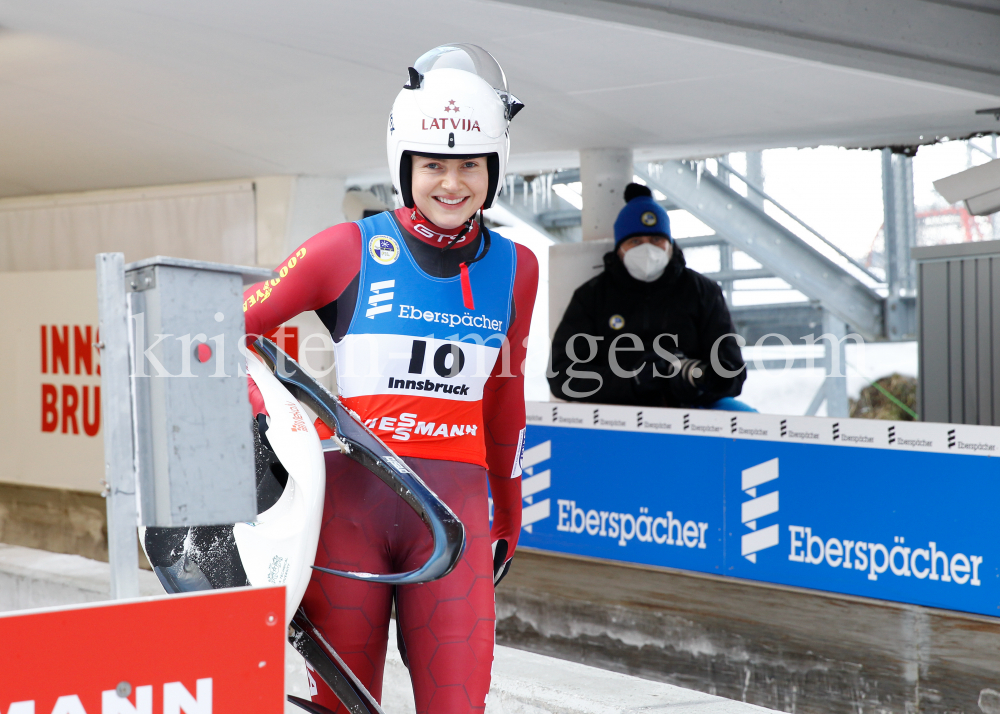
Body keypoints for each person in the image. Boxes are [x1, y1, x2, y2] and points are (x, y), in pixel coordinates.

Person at [242, 44, 537, 714]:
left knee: (458, 705)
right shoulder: (347, 248)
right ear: (405, 164)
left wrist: (510, 509)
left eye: (470, 165)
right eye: (433, 164)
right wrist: (267, 416)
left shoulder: (519, 268)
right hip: (352, 511)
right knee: (341, 706)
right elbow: (215, 329)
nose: (451, 182)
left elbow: (504, 396)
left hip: (455, 513)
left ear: (496, 166)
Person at [548, 183, 751, 410]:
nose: (647, 250)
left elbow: (733, 373)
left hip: (693, 411)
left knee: (745, 417)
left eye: (656, 240)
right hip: (614, 416)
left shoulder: (703, 292)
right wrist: (631, 381)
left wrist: (694, 380)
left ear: (670, 245)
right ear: (619, 247)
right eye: (635, 242)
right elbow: (562, 376)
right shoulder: (592, 296)